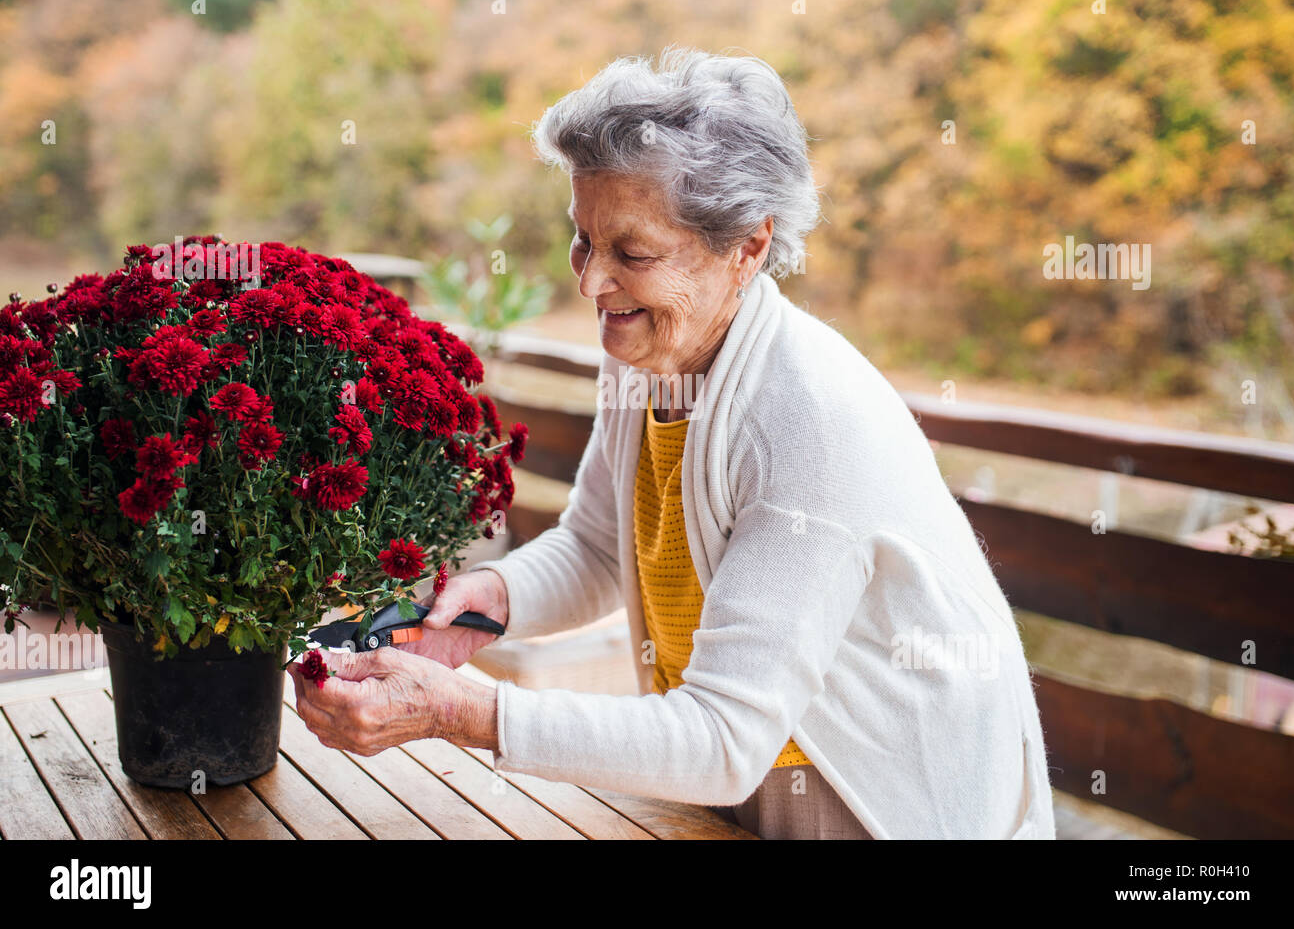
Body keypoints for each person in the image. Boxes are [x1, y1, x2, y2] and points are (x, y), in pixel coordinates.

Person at [292, 46, 1056, 839]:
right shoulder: (649, 355)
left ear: (749, 247)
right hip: (742, 791)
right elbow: (596, 547)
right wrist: (493, 600)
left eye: (633, 252)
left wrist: (467, 712)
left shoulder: (809, 421)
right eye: (583, 239)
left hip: (891, 808)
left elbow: (723, 738)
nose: (589, 282)